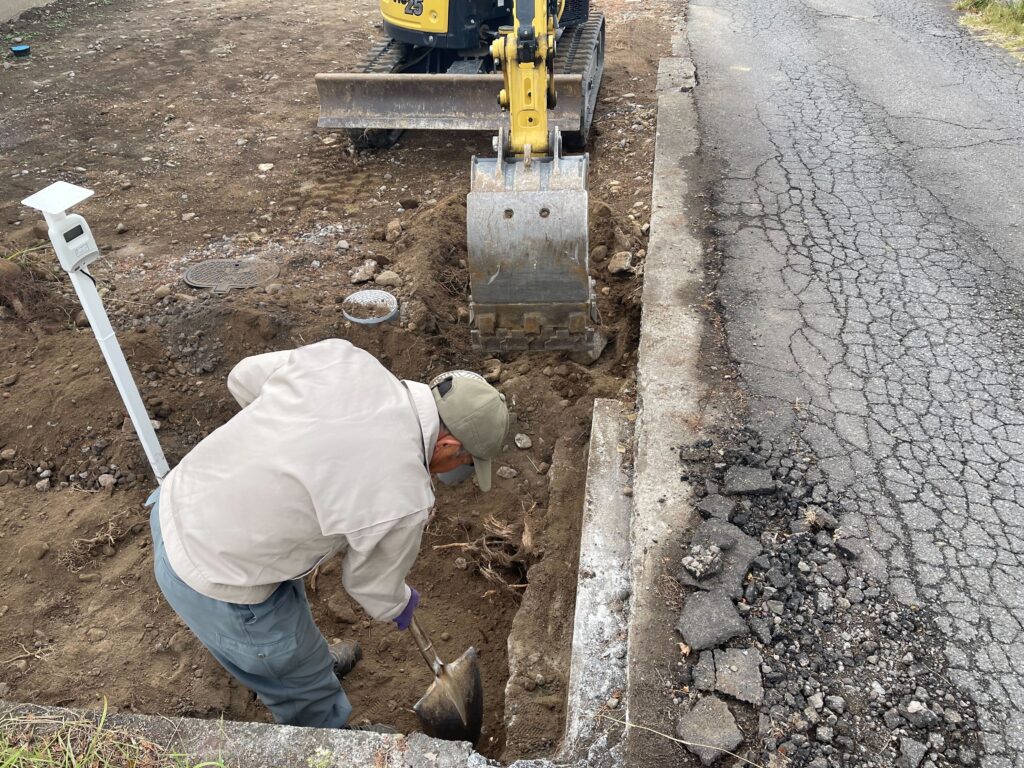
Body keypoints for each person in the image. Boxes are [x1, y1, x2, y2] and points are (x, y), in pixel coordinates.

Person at [146, 338, 509, 729]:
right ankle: (329, 735)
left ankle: (311, 661)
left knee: (292, 611)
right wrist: (399, 602)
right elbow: (370, 586)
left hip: (177, 498)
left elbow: (243, 376)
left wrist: (285, 448)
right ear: (449, 444)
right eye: (465, 463)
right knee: (298, 683)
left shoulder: (344, 359)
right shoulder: (403, 494)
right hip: (218, 576)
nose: (455, 473)